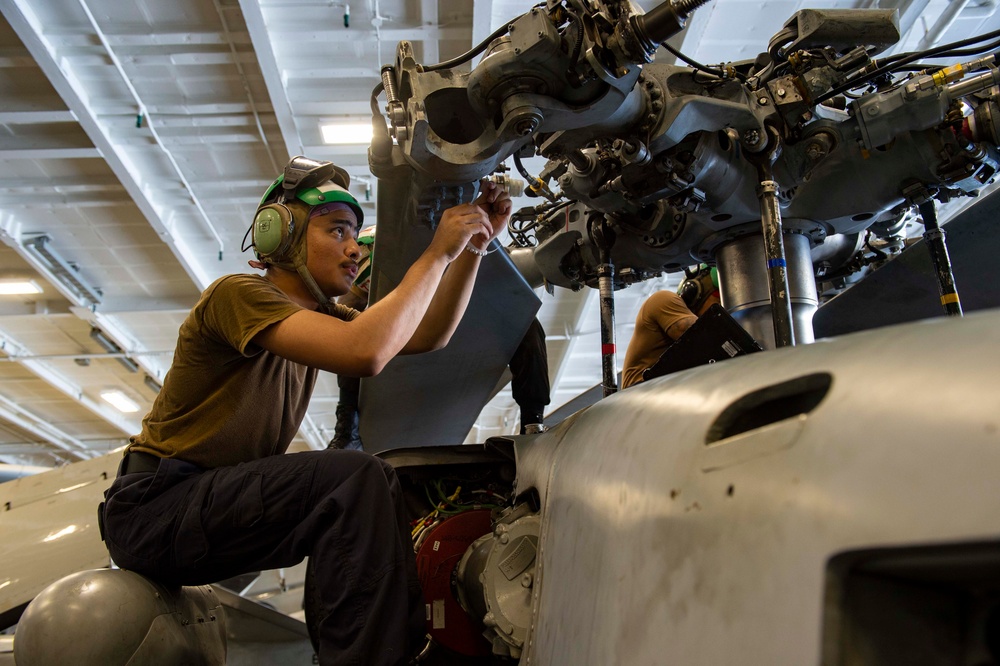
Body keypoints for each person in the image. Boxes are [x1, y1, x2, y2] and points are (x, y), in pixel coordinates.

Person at [99, 155, 512, 666]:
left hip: (201, 510)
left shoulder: (322, 315)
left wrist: (469, 249)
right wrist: (434, 252)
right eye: (338, 230)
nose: (353, 249)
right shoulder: (239, 294)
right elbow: (367, 350)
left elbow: (430, 334)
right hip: (154, 509)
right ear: (279, 235)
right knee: (354, 479)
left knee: (379, 489)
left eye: (356, 235)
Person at [327, 227, 551, 445]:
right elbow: (350, 326)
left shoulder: (449, 251)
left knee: (525, 324)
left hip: (458, 311)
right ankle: (346, 425)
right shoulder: (364, 262)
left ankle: (532, 420)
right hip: (403, 325)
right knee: (353, 342)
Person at [621, 265, 720, 389]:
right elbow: (704, 339)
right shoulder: (663, 300)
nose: (725, 309)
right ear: (693, 292)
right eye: (719, 299)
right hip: (641, 396)